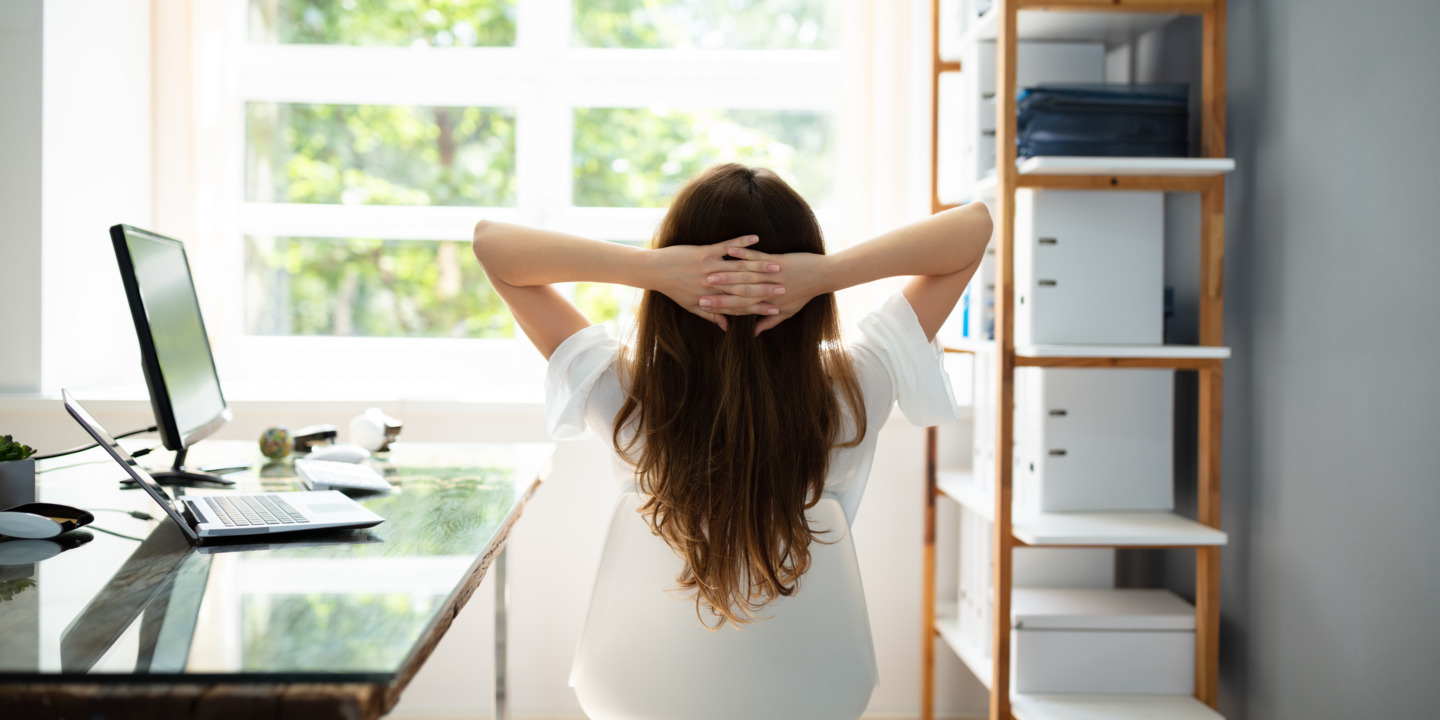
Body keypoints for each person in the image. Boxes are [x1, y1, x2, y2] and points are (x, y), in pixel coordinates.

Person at [471, 163, 992, 630]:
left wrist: (653, 269)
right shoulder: (854, 391)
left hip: (646, 697)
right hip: (815, 694)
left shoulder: (626, 398)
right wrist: (826, 274)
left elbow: (491, 245)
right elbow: (974, 229)